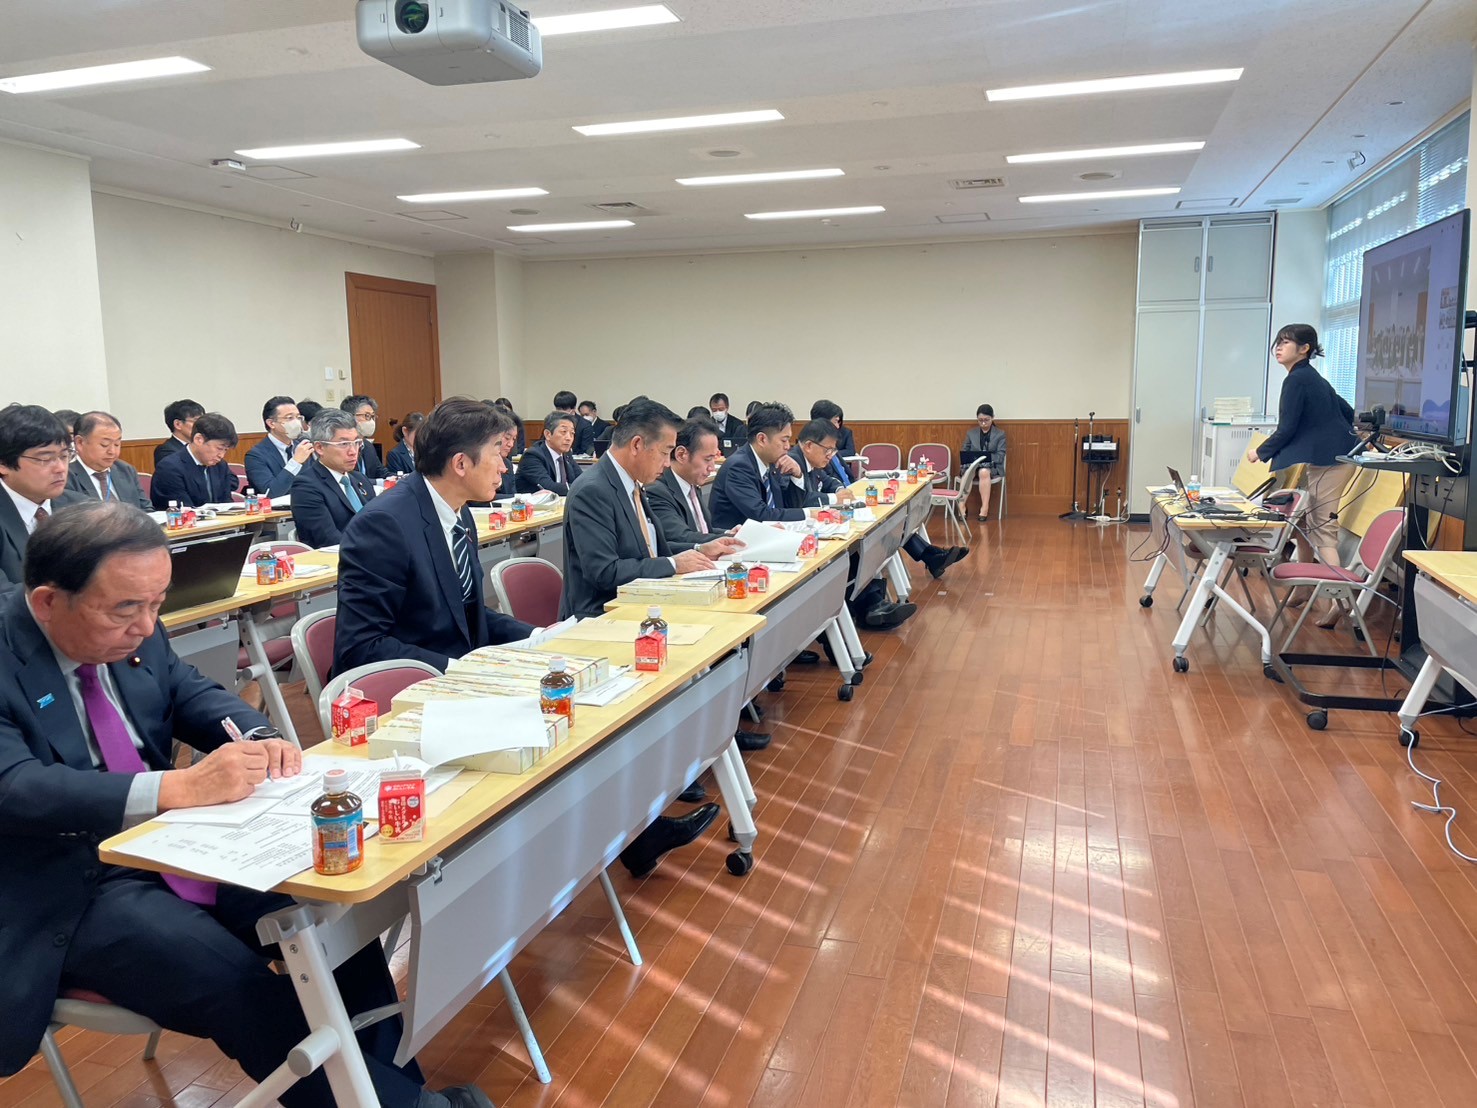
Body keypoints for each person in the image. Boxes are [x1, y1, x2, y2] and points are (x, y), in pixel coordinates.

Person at [0, 502, 494, 1108]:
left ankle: (393, 1090)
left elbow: (185, 691)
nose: (147, 627)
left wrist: (258, 736)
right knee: (231, 981)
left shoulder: (136, 626)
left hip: (173, 840)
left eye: (158, 603)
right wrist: (176, 788)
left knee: (328, 912)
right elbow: (15, 788)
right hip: (66, 882)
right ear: (48, 602)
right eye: (126, 609)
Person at [560, 399, 746, 875]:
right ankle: (641, 829)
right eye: (665, 452)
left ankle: (647, 821)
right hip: (601, 625)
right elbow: (604, 572)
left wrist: (702, 548)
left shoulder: (634, 486)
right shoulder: (592, 490)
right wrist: (671, 564)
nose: (668, 463)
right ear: (638, 445)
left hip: (641, 615)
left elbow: (657, 548)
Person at [333, 398, 535, 675]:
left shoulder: (459, 510)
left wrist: (538, 636)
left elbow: (466, 614)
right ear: (461, 463)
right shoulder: (383, 525)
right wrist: (458, 669)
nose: (504, 467)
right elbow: (362, 646)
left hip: (456, 673)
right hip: (405, 684)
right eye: (496, 455)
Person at [1247, 323, 1357, 626]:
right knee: (1304, 523)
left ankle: (1340, 602)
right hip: (1330, 457)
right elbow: (1347, 411)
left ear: (1304, 348)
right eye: (1278, 342)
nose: (1279, 347)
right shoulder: (1311, 377)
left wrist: (1260, 452)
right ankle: (1305, 588)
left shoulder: (1297, 380)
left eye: (1286, 342)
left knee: (1323, 529)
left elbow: (1287, 428)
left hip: (1332, 461)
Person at [791, 419, 964, 579]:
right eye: (828, 450)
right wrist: (834, 497)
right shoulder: (794, 462)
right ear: (809, 445)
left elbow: (828, 480)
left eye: (833, 450)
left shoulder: (815, 457)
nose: (831, 455)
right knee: (880, 527)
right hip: (810, 524)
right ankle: (929, 557)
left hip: (839, 503)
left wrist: (840, 490)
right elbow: (803, 500)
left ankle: (930, 556)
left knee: (889, 520)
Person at [0, 405, 90, 587]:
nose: (60, 468)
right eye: (45, 458)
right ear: (3, 464)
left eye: (65, 456)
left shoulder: (83, 508)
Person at [708, 402, 807, 528]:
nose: (788, 446)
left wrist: (797, 475)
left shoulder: (771, 462)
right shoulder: (738, 467)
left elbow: (787, 507)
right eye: (784, 440)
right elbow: (761, 515)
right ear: (761, 439)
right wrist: (808, 514)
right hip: (737, 537)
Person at [290, 409, 378, 549]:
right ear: (319, 447)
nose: (353, 451)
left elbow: (380, 524)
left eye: (356, 442)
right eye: (343, 444)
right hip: (339, 557)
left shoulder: (360, 479)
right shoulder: (306, 486)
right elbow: (328, 540)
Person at [149, 413, 239, 509]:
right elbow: (183, 509)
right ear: (198, 439)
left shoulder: (220, 466)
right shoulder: (169, 468)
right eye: (219, 448)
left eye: (225, 450)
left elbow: (226, 503)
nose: (221, 455)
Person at [66, 411, 151, 510]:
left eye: (117, 444)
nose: (112, 451)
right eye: (104, 444)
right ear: (80, 443)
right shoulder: (66, 477)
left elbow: (146, 509)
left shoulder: (126, 470)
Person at [244, 396, 313, 500]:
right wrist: (295, 462)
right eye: (289, 418)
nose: (296, 422)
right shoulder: (255, 456)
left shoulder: (304, 446)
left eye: (298, 417)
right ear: (271, 423)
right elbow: (270, 493)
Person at [516, 411, 582, 497]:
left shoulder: (566, 454)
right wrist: (581, 488)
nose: (569, 438)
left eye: (572, 433)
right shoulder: (532, 455)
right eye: (563, 432)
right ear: (548, 434)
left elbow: (582, 479)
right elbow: (549, 487)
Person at [963, 404, 1006, 521]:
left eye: (986, 420)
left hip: (992, 466)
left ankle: (984, 508)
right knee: (969, 472)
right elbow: (965, 451)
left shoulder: (1000, 434)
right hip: (973, 465)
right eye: (980, 420)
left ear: (993, 418)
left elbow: (1000, 456)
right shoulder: (971, 433)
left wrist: (987, 457)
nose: (983, 423)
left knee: (984, 472)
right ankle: (962, 505)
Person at [341, 394, 386, 480]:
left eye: (373, 416)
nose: (371, 421)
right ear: (350, 417)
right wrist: (379, 482)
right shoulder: (344, 447)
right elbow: (351, 479)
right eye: (367, 416)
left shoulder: (368, 446)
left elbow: (380, 472)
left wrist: (398, 478)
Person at [810, 399, 856, 483]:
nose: (838, 426)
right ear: (823, 422)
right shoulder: (815, 452)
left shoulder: (830, 446)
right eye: (835, 421)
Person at [153, 399, 204, 469]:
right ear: (177, 424)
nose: (202, 425)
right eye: (196, 421)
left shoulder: (202, 446)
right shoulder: (165, 451)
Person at [552, 390, 595, 455]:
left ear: (573, 409)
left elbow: (587, 448)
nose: (561, 412)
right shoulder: (552, 422)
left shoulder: (585, 425)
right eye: (558, 409)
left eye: (564, 409)